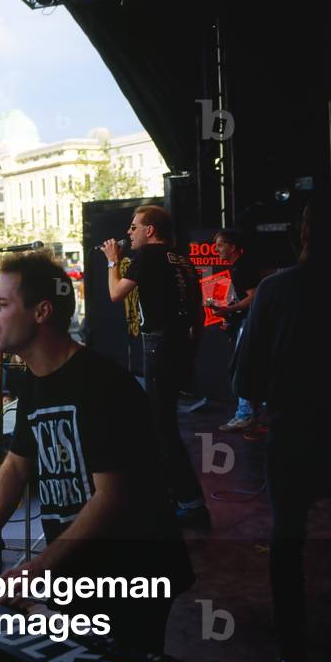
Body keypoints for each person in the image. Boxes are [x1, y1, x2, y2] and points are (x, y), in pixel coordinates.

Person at [0, 251, 194, 656]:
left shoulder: (104, 384)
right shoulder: (36, 383)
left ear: (41, 311)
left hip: (133, 570)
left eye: (1, 304)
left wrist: (38, 569)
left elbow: (112, 497)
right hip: (80, 570)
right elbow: (17, 464)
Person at [233, 196, 331, 662]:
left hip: (294, 435)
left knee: (287, 539)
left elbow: (246, 380)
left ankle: (292, 650)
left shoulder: (275, 291)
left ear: (304, 233)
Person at [102, 205, 209, 529]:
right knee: (163, 424)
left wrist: (111, 260)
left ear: (150, 230)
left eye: (134, 227)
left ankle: (190, 503)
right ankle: (177, 497)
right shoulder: (181, 259)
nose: (129, 233)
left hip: (159, 345)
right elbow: (197, 312)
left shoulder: (147, 257)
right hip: (179, 346)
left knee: (163, 428)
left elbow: (115, 294)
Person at [209, 229, 261, 432]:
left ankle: (245, 415)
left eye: (220, 245)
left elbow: (254, 297)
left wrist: (229, 309)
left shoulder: (242, 268)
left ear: (232, 247)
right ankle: (250, 414)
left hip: (249, 322)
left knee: (242, 369)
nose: (216, 249)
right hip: (247, 321)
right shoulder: (239, 267)